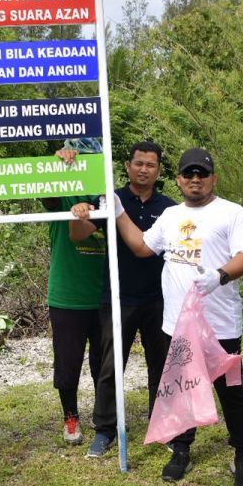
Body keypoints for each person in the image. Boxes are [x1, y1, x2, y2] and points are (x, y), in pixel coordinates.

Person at [106, 147, 243, 486]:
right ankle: (181, 449)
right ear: (178, 180)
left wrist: (219, 275)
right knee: (181, 388)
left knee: (232, 393)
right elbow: (143, 248)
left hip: (221, 325)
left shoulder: (232, 213)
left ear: (213, 179)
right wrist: (118, 212)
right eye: (188, 174)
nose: (195, 180)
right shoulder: (171, 215)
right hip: (176, 323)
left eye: (201, 174)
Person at [68, 141, 176, 459]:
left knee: (162, 366)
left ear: (158, 171)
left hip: (159, 298)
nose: (143, 169)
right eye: (138, 163)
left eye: (150, 164)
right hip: (116, 296)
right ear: (127, 166)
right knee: (110, 367)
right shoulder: (109, 198)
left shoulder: (170, 208)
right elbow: (78, 235)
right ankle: (105, 430)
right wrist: (78, 216)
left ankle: (164, 426)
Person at [41, 143, 107, 445]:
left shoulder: (106, 194)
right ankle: (70, 417)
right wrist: (56, 164)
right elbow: (47, 194)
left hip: (104, 295)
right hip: (67, 295)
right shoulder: (62, 193)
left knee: (102, 363)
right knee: (68, 363)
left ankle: (103, 415)